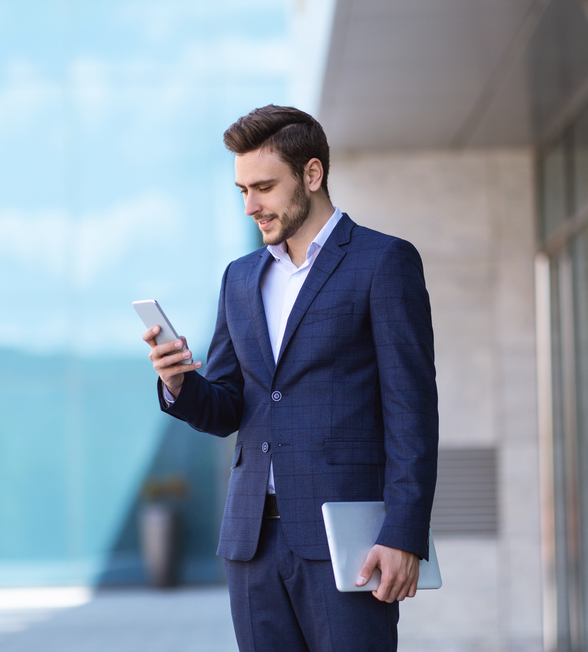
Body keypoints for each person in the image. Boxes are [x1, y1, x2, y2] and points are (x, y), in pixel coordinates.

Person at [142, 105, 438, 652]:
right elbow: (230, 407)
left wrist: (404, 533)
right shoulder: (240, 277)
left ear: (312, 174)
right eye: (242, 191)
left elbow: (411, 410)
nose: (251, 205)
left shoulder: (383, 261)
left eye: (264, 187)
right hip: (252, 545)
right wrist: (181, 385)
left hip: (347, 543)